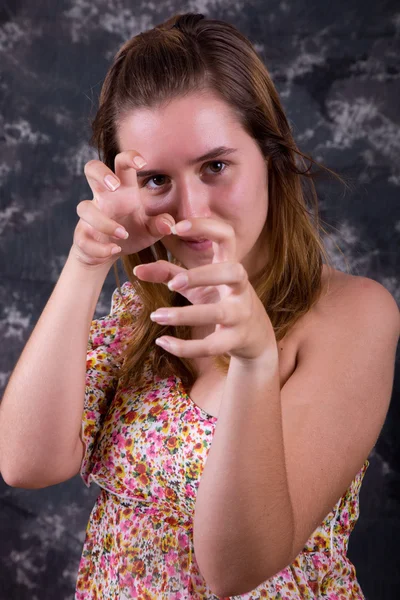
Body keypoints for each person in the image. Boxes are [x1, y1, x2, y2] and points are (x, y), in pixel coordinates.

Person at [0, 11, 398, 600]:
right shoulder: (141, 314)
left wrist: (256, 362)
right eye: (158, 179)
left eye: (216, 166)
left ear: (272, 156)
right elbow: (25, 464)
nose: (191, 210)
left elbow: (236, 567)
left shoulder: (352, 315)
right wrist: (86, 263)